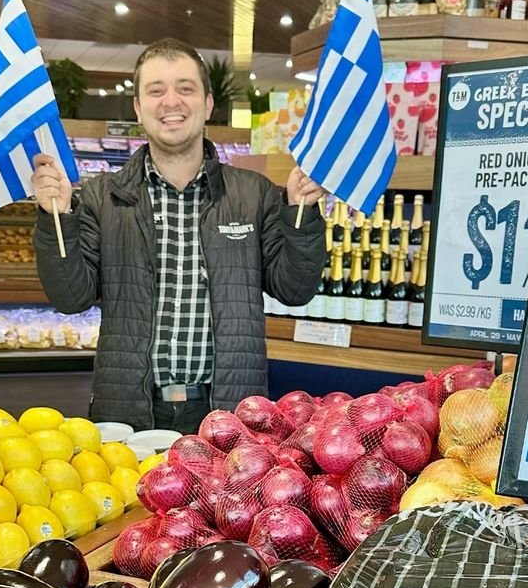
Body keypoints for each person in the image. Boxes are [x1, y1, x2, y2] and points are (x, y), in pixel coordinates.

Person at [32, 38, 327, 433]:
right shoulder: (103, 197)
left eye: (185, 88)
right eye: (156, 90)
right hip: (126, 411)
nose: (171, 101)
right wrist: (58, 218)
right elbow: (70, 297)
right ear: (138, 107)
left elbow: (295, 289)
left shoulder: (253, 194)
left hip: (231, 414)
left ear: (207, 103)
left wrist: (301, 214)